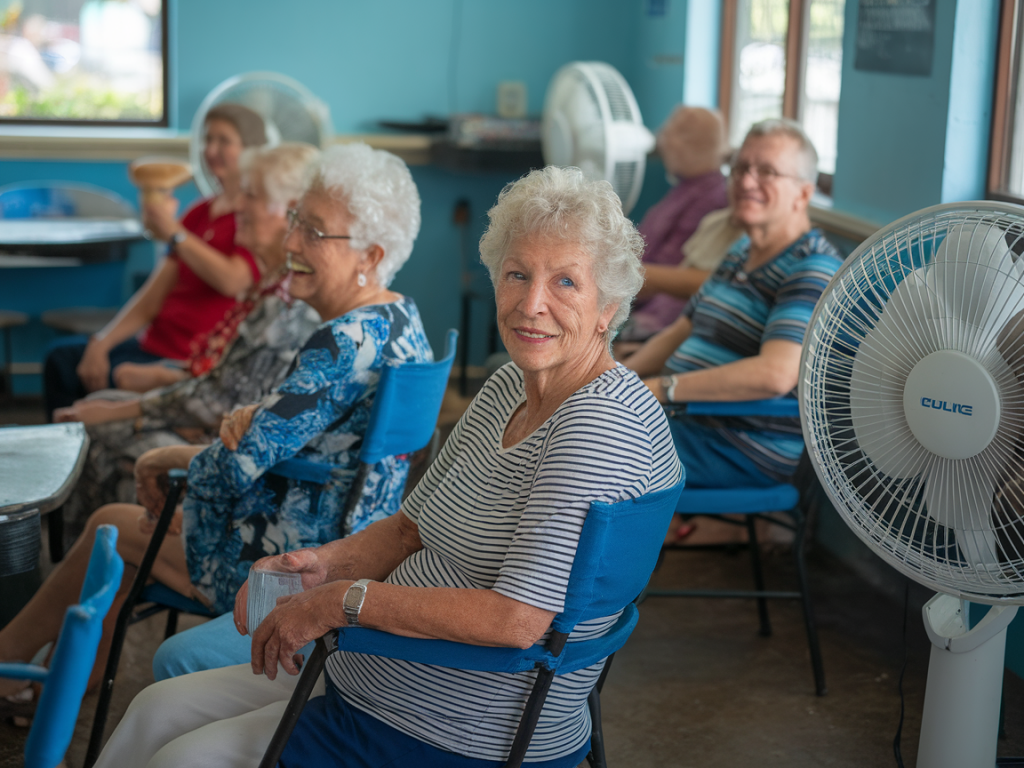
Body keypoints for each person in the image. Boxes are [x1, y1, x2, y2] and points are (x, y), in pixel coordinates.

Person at [93, 165, 683, 768]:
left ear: (608, 307)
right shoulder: (509, 385)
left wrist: (343, 601)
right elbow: (406, 530)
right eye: (517, 274)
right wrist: (322, 565)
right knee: (154, 708)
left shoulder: (597, 427)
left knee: (182, 759)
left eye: (565, 282)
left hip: (456, 723)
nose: (532, 305)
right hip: (373, 668)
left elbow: (517, 620)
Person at [0, 143, 431, 699]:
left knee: (113, 524)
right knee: (131, 534)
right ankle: (58, 682)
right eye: (295, 220)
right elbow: (314, 434)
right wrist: (257, 418)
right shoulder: (403, 321)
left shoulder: (342, 343)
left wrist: (164, 458)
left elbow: (232, 469)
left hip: (290, 566)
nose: (291, 242)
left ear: (369, 255)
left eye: (314, 231)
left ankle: (12, 663)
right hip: (345, 544)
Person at [50, 143, 323, 531]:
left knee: (93, 423)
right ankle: (108, 547)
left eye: (251, 195)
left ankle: (106, 546)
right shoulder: (270, 284)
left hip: (228, 446)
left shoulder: (285, 302)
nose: (238, 205)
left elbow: (223, 402)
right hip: (211, 418)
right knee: (95, 411)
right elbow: (226, 381)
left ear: (290, 210)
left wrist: (127, 409)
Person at [623, 118, 843, 543]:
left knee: (585, 445)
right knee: (574, 418)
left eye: (767, 171)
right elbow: (682, 329)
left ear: (803, 193)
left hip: (740, 445)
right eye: (741, 168)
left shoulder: (812, 268)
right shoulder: (741, 251)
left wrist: (661, 389)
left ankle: (575, 579)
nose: (746, 181)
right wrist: (621, 379)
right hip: (691, 423)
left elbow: (775, 374)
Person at [42, 103, 267, 417]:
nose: (210, 150)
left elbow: (233, 281)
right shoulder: (198, 213)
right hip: (151, 343)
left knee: (101, 377)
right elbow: (151, 297)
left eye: (223, 141)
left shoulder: (255, 219)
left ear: (251, 150)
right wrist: (102, 341)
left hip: (187, 359)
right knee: (61, 360)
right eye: (207, 139)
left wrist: (174, 233)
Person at [617, 106, 731, 343]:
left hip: (655, 317)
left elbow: (666, 270)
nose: (664, 144)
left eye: (669, 136)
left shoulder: (711, 199)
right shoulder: (686, 189)